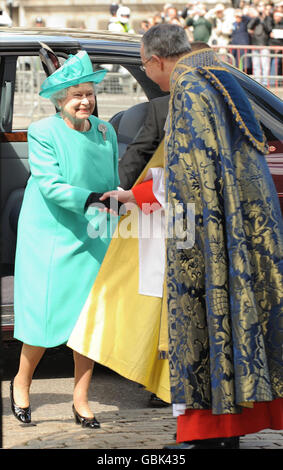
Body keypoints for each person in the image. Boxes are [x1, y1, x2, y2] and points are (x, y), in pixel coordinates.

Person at [70, 24, 283, 449]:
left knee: (205, 332)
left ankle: (210, 436)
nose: (151, 78)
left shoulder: (189, 87)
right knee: (232, 331)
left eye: (148, 68)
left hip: (205, 235)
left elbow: (186, 177)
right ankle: (224, 433)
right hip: (234, 227)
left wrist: (132, 194)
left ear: (155, 60)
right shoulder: (216, 74)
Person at [11, 51, 120, 428]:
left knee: (88, 321)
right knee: (45, 317)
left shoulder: (107, 132)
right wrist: (91, 199)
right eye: (76, 95)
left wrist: (119, 204)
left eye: (88, 93)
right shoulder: (43, 132)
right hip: (51, 233)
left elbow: (110, 183)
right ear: (60, 101)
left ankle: (80, 398)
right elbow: (51, 185)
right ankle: (21, 382)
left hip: (93, 232)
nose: (84, 101)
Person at [247, 2, 273, 85]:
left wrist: (263, 19)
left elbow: (269, 29)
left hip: (264, 44)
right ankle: (257, 82)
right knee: (256, 64)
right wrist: (257, 18)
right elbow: (249, 26)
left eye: (262, 7)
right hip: (255, 44)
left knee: (265, 65)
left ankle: (265, 82)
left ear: (265, 9)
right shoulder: (255, 18)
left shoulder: (268, 18)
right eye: (259, 7)